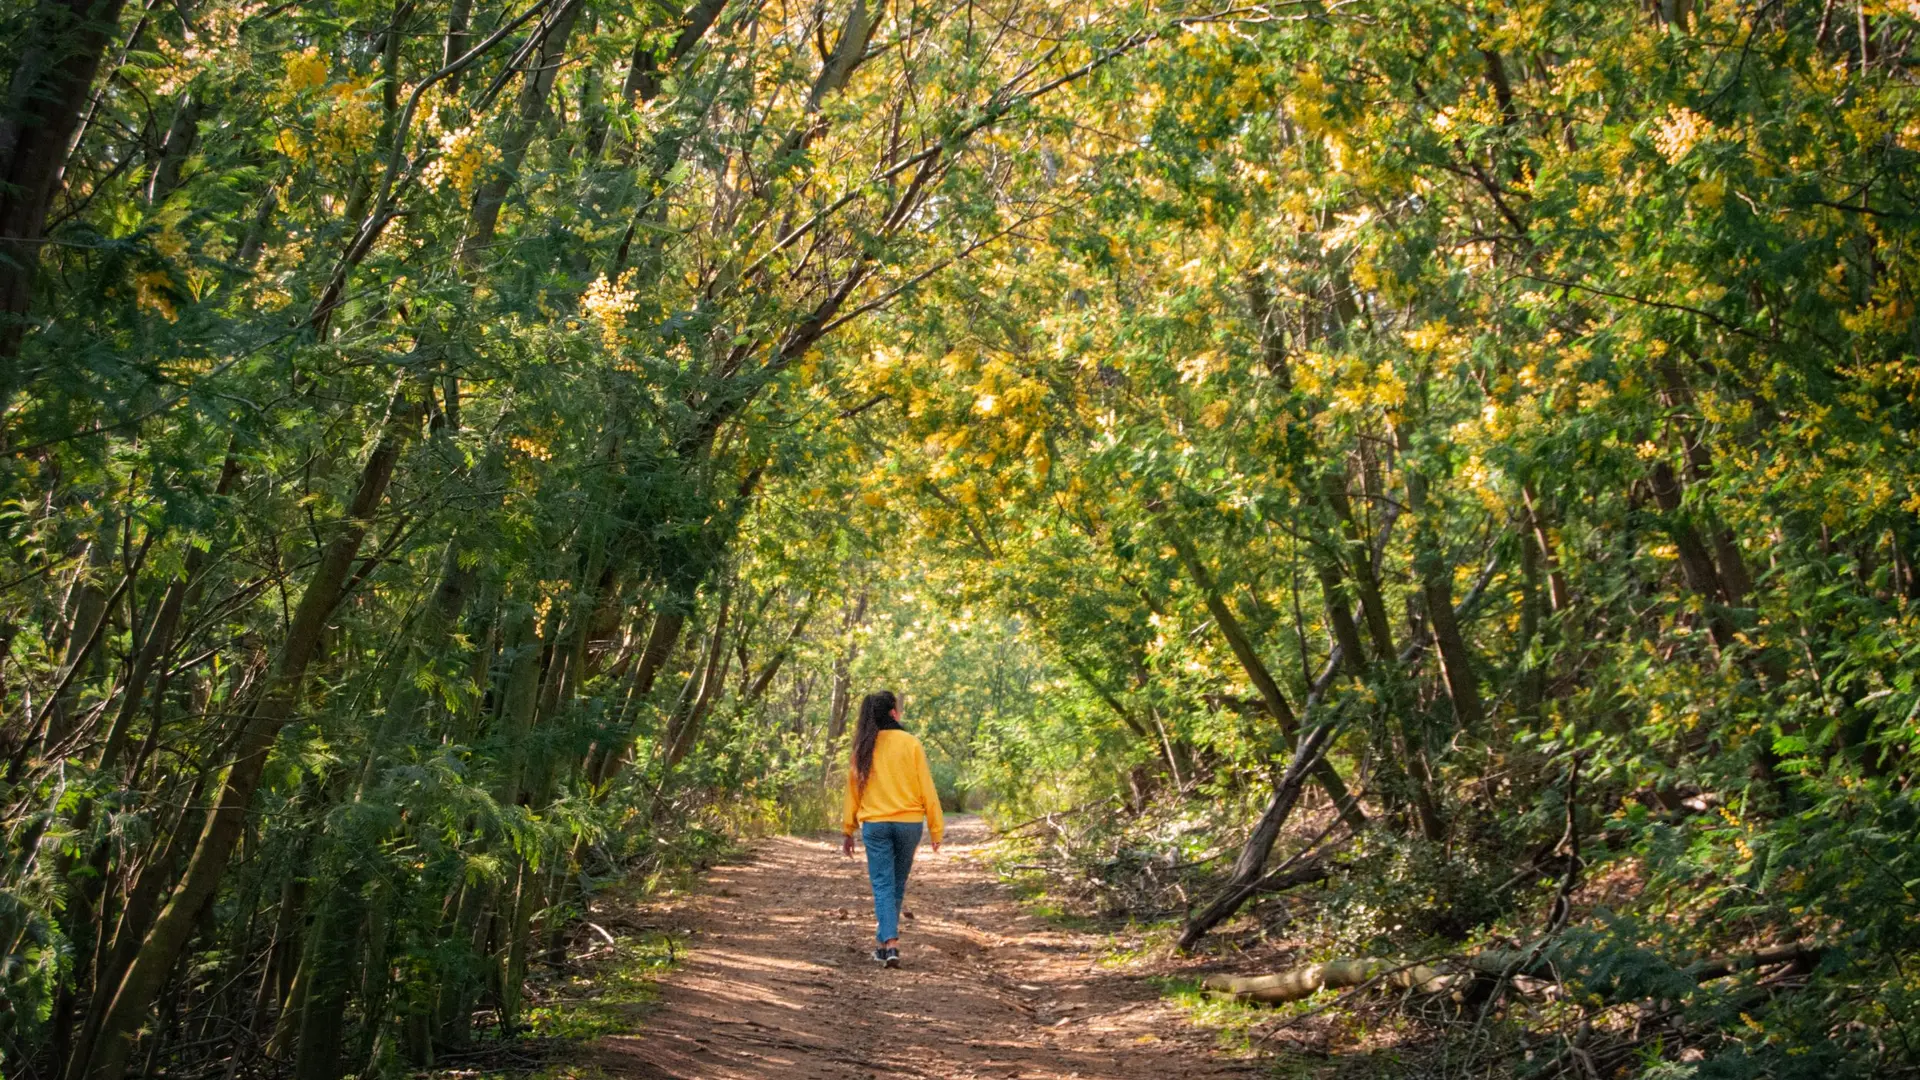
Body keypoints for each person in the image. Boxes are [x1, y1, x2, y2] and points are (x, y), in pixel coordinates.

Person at [840, 689, 943, 968]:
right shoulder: (910, 743)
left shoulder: (863, 747)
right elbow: (927, 787)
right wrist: (935, 828)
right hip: (909, 824)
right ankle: (887, 944)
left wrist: (848, 829)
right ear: (893, 714)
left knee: (884, 884)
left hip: (875, 825)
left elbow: (853, 792)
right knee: (896, 884)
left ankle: (890, 943)